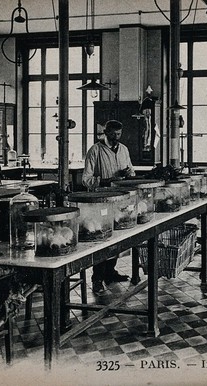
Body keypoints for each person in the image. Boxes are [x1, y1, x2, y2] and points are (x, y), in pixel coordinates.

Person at [82, 120, 135, 293]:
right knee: (102, 239)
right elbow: (86, 180)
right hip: (101, 201)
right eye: (113, 134)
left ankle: (110, 272)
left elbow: (131, 172)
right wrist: (105, 181)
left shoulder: (124, 149)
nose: (116, 137)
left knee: (117, 238)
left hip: (120, 201)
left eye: (119, 134)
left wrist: (128, 174)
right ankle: (97, 278)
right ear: (105, 132)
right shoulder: (95, 151)